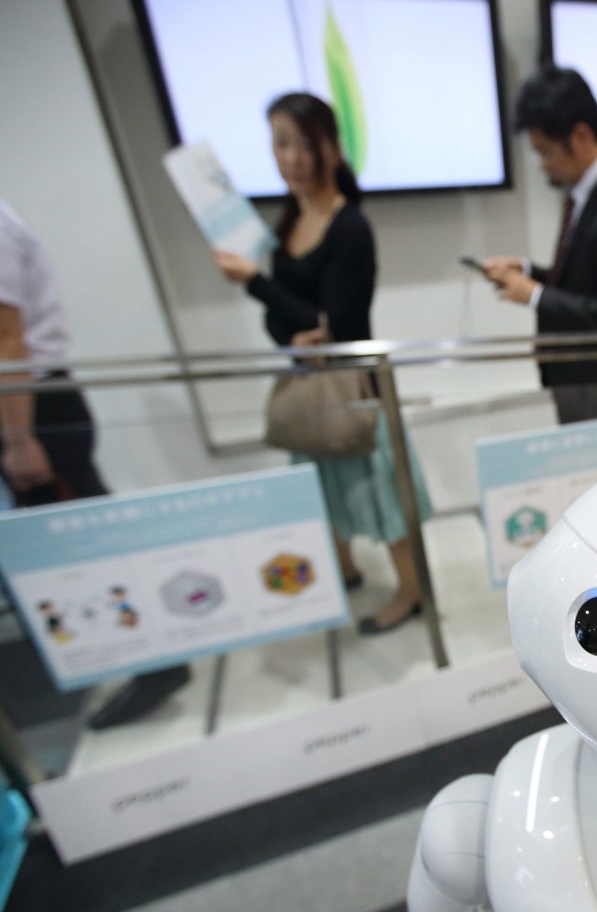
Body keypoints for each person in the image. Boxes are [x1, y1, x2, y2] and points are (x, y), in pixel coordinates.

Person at [0, 54, 189, 728]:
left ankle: (157, 661)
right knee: (67, 549)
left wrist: (19, 437)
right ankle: (132, 657)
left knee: (81, 545)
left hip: (26, 410)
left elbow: (1, 336)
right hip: (16, 408)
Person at [212, 93, 431, 636]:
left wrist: (258, 285)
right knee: (325, 488)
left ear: (331, 148)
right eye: (280, 143)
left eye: (301, 144)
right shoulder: (287, 222)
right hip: (308, 386)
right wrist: (288, 322)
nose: (290, 157)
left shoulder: (349, 226)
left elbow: (335, 321)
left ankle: (412, 592)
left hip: (354, 389)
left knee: (381, 496)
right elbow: (285, 323)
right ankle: (349, 568)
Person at [482, 67, 597, 425]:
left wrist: (534, 294)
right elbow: (581, 281)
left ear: (581, 136)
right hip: (576, 381)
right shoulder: (584, 196)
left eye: (546, 153)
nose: (543, 167)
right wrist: (528, 272)